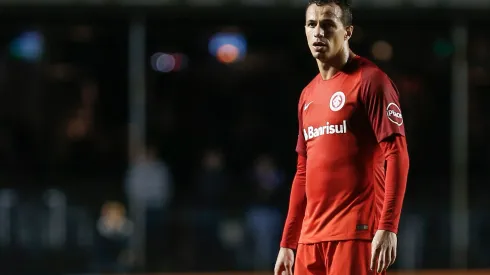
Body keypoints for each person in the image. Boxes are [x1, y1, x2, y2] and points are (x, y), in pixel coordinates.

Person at [273, 1, 410, 275]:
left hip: (355, 232)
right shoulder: (307, 95)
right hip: (310, 239)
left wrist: (388, 227)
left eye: (327, 25)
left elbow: (397, 155)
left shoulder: (371, 81)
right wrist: (288, 242)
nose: (318, 33)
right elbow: (303, 172)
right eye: (312, 25)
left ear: (347, 32)